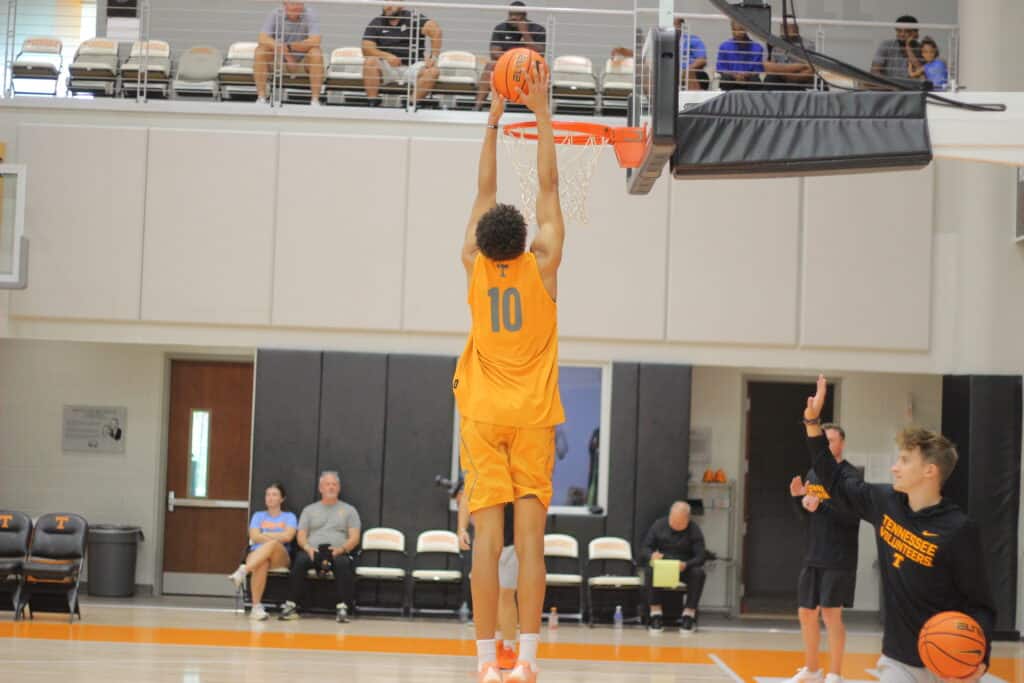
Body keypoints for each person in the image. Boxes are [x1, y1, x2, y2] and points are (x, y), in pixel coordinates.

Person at [453, 63, 564, 683]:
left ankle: (484, 663)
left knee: (487, 546)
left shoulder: (472, 263)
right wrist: (540, 113)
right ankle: (525, 660)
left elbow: (483, 189)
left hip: (481, 414)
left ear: (483, 238)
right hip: (532, 417)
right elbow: (548, 186)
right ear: (524, 240)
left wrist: (493, 122)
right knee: (530, 545)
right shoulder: (543, 265)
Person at [801, 375, 995, 683]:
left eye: (904, 460)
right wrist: (812, 423)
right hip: (898, 659)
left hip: (950, 662)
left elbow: (981, 604)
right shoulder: (884, 502)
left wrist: (979, 659)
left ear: (929, 470)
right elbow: (834, 480)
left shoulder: (959, 529)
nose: (895, 467)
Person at [785, 424, 860, 683]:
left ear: (842, 443)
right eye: (824, 440)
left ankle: (835, 673)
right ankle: (812, 669)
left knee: (830, 614)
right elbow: (807, 517)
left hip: (839, 556)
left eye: (832, 440)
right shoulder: (814, 473)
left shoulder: (850, 477)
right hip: (814, 553)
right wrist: (798, 499)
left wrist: (820, 507)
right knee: (806, 613)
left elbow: (852, 517)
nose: (827, 445)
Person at [278, 471, 361, 623]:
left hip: (338, 551)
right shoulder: (309, 510)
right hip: (312, 551)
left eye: (334, 484)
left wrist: (341, 549)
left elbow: (355, 538)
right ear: (320, 488)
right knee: (300, 561)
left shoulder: (349, 510)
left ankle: (343, 608)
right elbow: (301, 536)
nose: (331, 487)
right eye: (327, 484)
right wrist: (307, 548)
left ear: (339, 488)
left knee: (343, 563)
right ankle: (290, 605)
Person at [456, 479, 520, 671]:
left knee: (506, 595)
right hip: (485, 541)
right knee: (489, 597)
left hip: (512, 541)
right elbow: (466, 496)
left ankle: (509, 648)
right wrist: (461, 529)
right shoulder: (479, 470)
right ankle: (496, 645)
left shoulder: (515, 469)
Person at [229, 482, 297, 621]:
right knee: (263, 562)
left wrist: (265, 535)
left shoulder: (289, 516)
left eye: (274, 495)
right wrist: (277, 536)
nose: (270, 498)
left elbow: (288, 537)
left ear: (282, 499)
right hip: (257, 554)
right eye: (268, 494)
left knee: (273, 544)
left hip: (280, 556)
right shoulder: (258, 516)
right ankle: (256, 608)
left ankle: (243, 570)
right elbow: (254, 537)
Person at [639, 501, 706, 633]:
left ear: (687, 519)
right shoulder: (659, 525)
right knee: (650, 570)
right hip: (663, 566)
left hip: (684, 567)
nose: (675, 525)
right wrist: (652, 555)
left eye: (680, 523)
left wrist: (687, 564)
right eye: (673, 521)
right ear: (670, 515)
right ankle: (655, 614)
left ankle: (688, 615)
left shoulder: (694, 530)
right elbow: (645, 548)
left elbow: (701, 556)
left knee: (698, 573)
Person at [361, 5, 442, 106]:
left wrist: (433, 57)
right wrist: (386, 56)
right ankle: (372, 102)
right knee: (369, 62)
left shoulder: (413, 18)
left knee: (433, 71)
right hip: (388, 67)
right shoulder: (376, 22)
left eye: (392, 3)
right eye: (386, 2)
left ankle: (411, 103)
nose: (388, 6)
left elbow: (436, 31)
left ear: (401, 5)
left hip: (412, 67)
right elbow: (366, 49)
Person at [475, 1, 546, 110]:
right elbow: (494, 53)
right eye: (511, 14)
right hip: (507, 66)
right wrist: (514, 59)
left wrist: (525, 33)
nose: (513, 17)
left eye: (517, 14)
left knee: (542, 69)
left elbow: (540, 54)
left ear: (524, 15)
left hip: (528, 66)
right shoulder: (500, 28)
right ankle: (477, 106)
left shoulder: (538, 29)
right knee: (490, 65)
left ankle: (542, 110)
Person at [254, 1, 323, 105]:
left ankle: (315, 100)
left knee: (316, 53)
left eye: (299, 4)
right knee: (260, 51)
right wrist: (285, 53)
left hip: (303, 57)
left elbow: (315, 40)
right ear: (285, 4)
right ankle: (261, 97)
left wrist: (290, 46)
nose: (297, 7)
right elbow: (262, 38)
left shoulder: (310, 14)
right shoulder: (276, 14)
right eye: (293, 4)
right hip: (279, 56)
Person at [764, 23, 815, 90]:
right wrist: (798, 67)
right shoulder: (777, 43)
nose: (782, 28)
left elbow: (810, 67)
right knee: (769, 76)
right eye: (782, 26)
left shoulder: (808, 45)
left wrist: (788, 72)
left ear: (796, 27)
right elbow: (771, 66)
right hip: (781, 78)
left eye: (787, 26)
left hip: (799, 78)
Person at [717, 20, 765, 90]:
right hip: (731, 79)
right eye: (734, 30)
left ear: (746, 30)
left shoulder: (757, 48)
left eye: (740, 30)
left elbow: (757, 70)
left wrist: (747, 75)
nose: (737, 33)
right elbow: (722, 69)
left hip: (748, 80)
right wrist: (734, 75)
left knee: (755, 80)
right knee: (725, 79)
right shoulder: (724, 47)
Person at [871, 15, 921, 81]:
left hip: (911, 86)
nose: (902, 34)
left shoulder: (922, 49)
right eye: (899, 31)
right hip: (888, 85)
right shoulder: (886, 45)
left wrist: (908, 46)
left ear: (915, 33)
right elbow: (874, 71)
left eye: (907, 31)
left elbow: (922, 74)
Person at [674, 17, 708, 90]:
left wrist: (686, 71)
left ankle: (695, 97)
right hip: (672, 72)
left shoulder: (693, 40)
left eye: (674, 24)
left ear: (681, 26)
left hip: (692, 71)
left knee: (690, 74)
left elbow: (702, 60)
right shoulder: (663, 42)